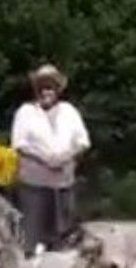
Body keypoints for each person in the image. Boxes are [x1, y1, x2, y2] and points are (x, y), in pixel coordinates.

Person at [10, 63, 90, 255]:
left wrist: (65, 157)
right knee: (31, 239)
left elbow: (83, 141)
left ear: (57, 90)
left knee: (64, 239)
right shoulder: (26, 112)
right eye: (42, 87)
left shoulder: (69, 111)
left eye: (50, 87)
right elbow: (19, 144)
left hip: (63, 184)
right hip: (33, 185)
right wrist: (45, 159)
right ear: (37, 90)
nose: (46, 92)